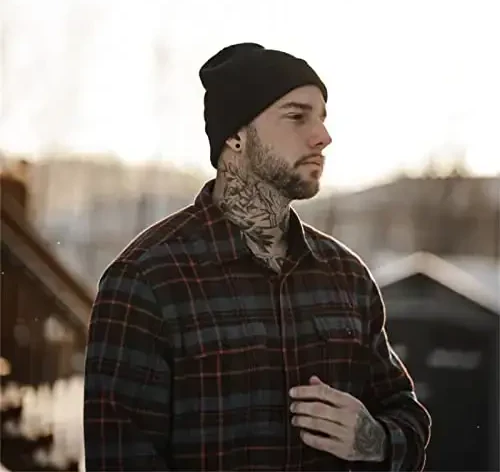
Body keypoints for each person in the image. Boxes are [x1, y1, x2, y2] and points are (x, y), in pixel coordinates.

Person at [83, 42, 431, 471]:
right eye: (297, 116)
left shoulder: (346, 277)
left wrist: (373, 439)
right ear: (235, 135)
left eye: (322, 118)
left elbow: (408, 417)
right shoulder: (147, 280)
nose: (323, 136)